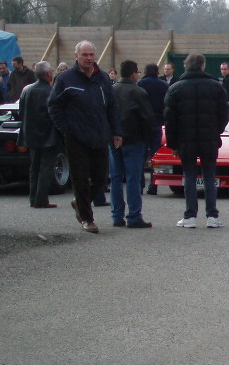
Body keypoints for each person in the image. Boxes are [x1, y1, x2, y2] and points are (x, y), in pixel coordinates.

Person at [48, 40, 122, 234]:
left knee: (101, 178)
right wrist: (65, 128)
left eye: (91, 55)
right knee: (80, 179)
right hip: (76, 137)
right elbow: (54, 105)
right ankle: (87, 219)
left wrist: (116, 131)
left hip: (100, 135)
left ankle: (80, 202)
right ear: (76, 56)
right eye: (85, 55)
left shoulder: (102, 78)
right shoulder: (65, 79)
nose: (89, 58)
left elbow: (112, 106)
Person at [163, 53, 229, 228]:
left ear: (186, 66)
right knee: (209, 177)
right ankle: (212, 216)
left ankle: (190, 216)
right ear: (203, 65)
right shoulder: (216, 87)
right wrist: (216, 131)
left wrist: (173, 143)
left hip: (185, 140)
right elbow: (225, 113)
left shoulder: (175, 88)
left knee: (189, 177)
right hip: (209, 138)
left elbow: (169, 120)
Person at [108, 60, 154, 229]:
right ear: (134, 73)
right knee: (133, 178)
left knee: (115, 178)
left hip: (114, 139)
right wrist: (147, 139)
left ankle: (116, 215)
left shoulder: (111, 90)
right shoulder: (138, 92)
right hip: (134, 140)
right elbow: (147, 118)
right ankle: (134, 215)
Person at [17, 61, 60, 209]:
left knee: (34, 167)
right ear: (48, 74)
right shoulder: (51, 91)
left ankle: (33, 198)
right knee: (46, 168)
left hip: (31, 135)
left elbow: (21, 112)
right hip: (49, 135)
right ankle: (41, 200)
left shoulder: (26, 90)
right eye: (51, 71)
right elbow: (55, 114)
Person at [138, 63, 169, 195]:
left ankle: (139, 185)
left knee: (141, 155)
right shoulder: (164, 85)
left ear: (145, 72)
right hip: (157, 123)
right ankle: (153, 185)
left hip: (142, 124)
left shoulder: (140, 85)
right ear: (157, 72)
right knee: (155, 155)